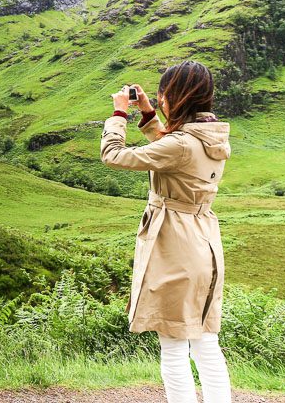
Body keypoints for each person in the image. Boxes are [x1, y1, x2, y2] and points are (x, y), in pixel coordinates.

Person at [100, 61, 232, 403]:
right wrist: (146, 113)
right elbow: (170, 148)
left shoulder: (182, 144)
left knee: (173, 347)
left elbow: (114, 156)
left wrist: (119, 114)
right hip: (205, 244)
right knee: (205, 343)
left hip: (176, 245)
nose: (158, 100)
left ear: (176, 96)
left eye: (161, 96)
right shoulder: (209, 136)